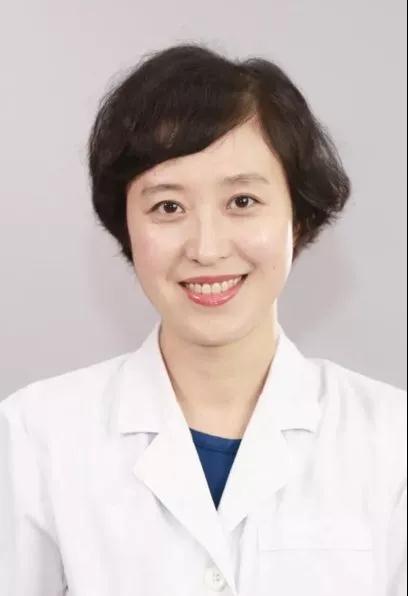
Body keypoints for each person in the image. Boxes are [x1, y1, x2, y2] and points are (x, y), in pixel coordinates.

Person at [0, 43, 406, 596]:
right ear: (125, 226)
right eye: (168, 207)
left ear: (298, 215)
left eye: (242, 201)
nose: (207, 248)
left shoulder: (392, 442)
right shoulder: (34, 438)